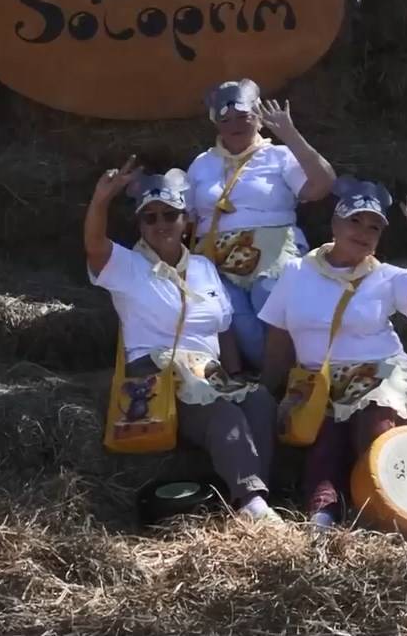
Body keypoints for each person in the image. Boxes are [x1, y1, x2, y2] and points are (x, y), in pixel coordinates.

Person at [84, 156, 283, 524]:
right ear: (140, 225)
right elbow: (95, 246)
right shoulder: (127, 266)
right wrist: (101, 200)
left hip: (208, 371)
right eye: (150, 217)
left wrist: (235, 375)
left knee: (259, 401)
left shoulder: (204, 267)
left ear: (186, 220)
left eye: (170, 214)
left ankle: (256, 497)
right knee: (222, 414)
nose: (161, 223)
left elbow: (224, 327)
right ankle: (250, 501)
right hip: (156, 371)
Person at [258, 177, 407, 531]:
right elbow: (278, 335)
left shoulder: (385, 277)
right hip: (318, 384)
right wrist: (270, 389)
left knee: (374, 429)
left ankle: (390, 510)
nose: (363, 232)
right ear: (335, 224)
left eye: (374, 227)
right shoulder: (296, 272)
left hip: (377, 375)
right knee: (326, 437)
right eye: (355, 221)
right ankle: (324, 512)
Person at [186, 79, 336, 373]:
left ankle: (293, 375)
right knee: (233, 317)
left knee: (270, 300)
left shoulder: (279, 155)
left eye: (243, 116)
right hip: (217, 256)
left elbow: (323, 184)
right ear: (215, 124)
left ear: (258, 117)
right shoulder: (201, 164)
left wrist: (290, 134)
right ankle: (269, 379)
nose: (235, 125)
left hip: (271, 250)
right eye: (225, 119)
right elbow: (186, 217)